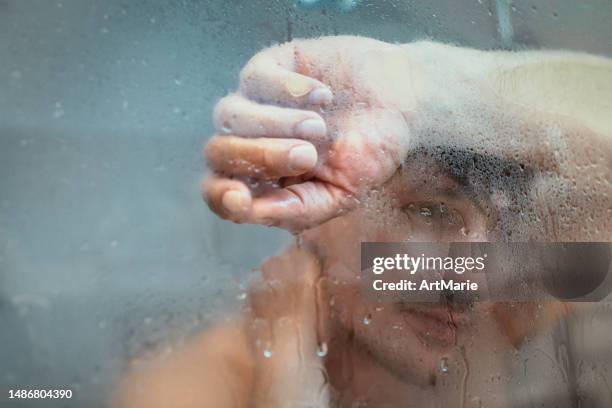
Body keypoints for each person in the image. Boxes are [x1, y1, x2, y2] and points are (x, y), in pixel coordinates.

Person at [114, 36, 612, 407]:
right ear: (311, 211)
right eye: (430, 211)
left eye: (504, 224)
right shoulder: (203, 383)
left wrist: (419, 82)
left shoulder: (510, 314)